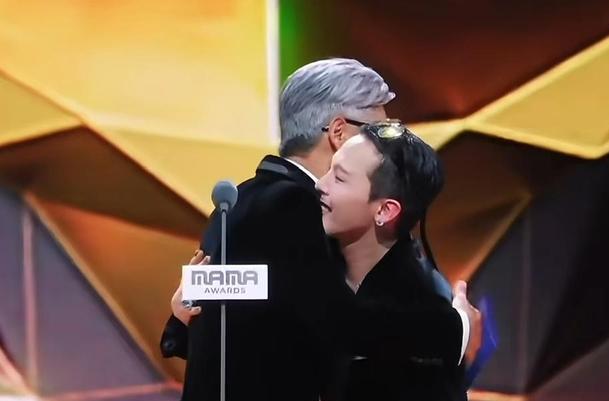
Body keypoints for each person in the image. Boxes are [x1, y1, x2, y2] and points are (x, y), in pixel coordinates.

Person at [160, 59, 481, 401]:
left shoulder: (240, 202)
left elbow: (242, 324)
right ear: (339, 132)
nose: (386, 143)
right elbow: (339, 323)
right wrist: (457, 331)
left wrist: (181, 324)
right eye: (376, 130)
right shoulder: (295, 205)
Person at [317, 120, 471, 401]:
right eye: (329, 169)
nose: (319, 184)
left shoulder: (421, 307)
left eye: (339, 178)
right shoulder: (306, 258)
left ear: (385, 211)